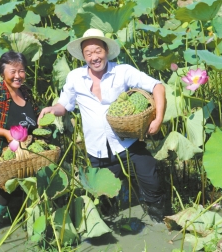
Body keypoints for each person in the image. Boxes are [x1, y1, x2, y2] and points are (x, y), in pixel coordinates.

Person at [38, 28, 167, 222]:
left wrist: (158, 118)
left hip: (127, 143)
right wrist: (52, 109)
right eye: (88, 53)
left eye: (98, 51)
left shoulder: (122, 71)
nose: (94, 57)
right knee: (105, 202)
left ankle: (159, 217)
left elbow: (158, 86)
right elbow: (64, 105)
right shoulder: (75, 77)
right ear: (83, 56)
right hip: (97, 150)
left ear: (106, 51)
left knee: (152, 181)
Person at [0, 51, 39, 231]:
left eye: (22, 71)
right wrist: (5, 133)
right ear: (3, 72)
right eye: (13, 71)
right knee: (1, 194)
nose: (18, 76)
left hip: (27, 154)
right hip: (4, 154)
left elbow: (36, 117)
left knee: (27, 193)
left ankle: (28, 231)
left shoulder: (26, 92)